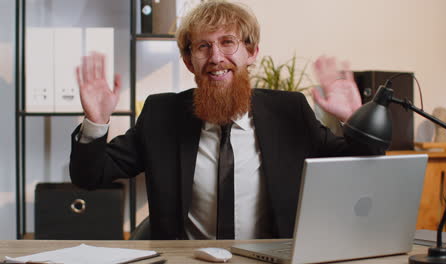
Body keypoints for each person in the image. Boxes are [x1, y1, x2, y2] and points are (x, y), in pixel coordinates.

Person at [70, 0, 382, 240]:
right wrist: (96, 122)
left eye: (228, 42)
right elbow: (90, 176)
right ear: (189, 61)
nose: (216, 57)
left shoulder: (291, 112)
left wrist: (355, 121)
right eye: (203, 46)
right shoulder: (160, 115)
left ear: (252, 51)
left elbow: (359, 172)